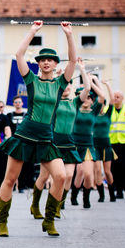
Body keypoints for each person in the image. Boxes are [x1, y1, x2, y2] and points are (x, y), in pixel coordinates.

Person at [0, 21, 76, 237]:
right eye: (43, 60)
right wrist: (33, 31)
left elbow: (72, 60)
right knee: (10, 179)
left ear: (54, 63)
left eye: (50, 60)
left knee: (60, 176)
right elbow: (19, 55)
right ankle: (2, 222)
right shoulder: (31, 80)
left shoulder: (61, 84)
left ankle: (49, 219)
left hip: (46, 138)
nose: (47, 62)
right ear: (39, 64)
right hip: (25, 134)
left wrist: (69, 34)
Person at [30, 59, 88, 220]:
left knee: (68, 175)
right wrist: (57, 75)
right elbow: (47, 84)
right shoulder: (53, 99)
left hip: (69, 144)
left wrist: (81, 69)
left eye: (70, 85)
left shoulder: (74, 103)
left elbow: (87, 88)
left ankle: (58, 204)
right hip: (52, 142)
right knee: (43, 176)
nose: (67, 87)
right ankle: (35, 204)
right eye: (65, 84)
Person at [71, 75, 105, 209]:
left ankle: (86, 198)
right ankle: (74, 195)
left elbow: (102, 97)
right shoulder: (74, 109)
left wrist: (92, 83)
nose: (86, 99)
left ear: (92, 101)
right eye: (85, 97)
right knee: (78, 173)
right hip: (75, 144)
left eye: (90, 97)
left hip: (88, 146)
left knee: (88, 174)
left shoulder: (94, 111)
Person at [93, 80, 116, 202]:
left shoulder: (107, 114)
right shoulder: (94, 114)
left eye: (102, 104)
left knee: (107, 171)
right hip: (95, 145)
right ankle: (101, 195)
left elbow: (112, 99)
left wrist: (108, 85)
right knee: (97, 170)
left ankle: (112, 193)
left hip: (106, 145)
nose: (100, 106)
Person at [7, 96, 32, 192]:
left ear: (22, 103)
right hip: (13, 142)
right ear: (13, 104)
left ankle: (21, 186)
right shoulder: (9, 115)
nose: (17, 104)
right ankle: (11, 185)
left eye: (19, 102)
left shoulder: (27, 115)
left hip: (24, 143)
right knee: (11, 165)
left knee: (23, 165)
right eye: (15, 102)